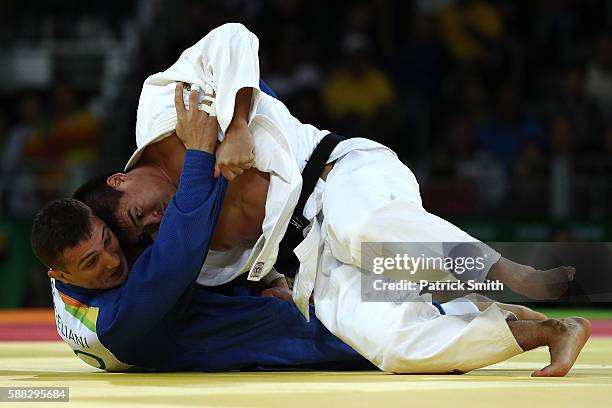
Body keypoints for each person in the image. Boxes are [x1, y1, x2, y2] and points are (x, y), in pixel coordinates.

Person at [77, 23, 590, 376]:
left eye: (137, 212)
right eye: (145, 232)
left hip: (338, 177)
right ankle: (548, 331)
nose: (155, 220)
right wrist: (271, 283)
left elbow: (233, 39)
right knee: (390, 346)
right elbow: (247, 269)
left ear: (119, 181)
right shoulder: (188, 245)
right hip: (312, 264)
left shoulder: (162, 109)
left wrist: (233, 124)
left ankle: (513, 275)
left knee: (363, 231)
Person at [30, 91, 373, 372]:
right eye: (91, 262)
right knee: (384, 324)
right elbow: (175, 259)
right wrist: (198, 151)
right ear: (58, 273)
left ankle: (425, 278)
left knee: (404, 271)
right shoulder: (110, 325)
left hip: (251, 283)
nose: (111, 261)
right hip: (254, 330)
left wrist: (266, 281)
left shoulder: (71, 252)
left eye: (108, 240)